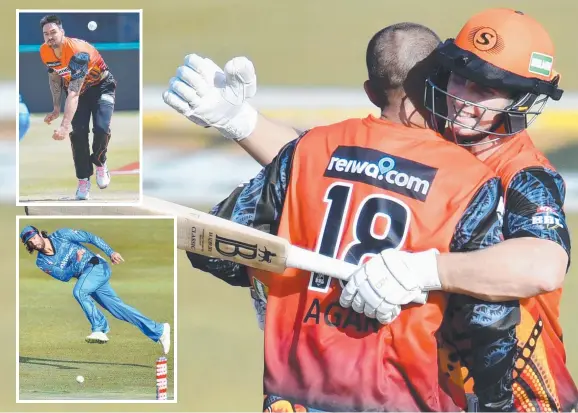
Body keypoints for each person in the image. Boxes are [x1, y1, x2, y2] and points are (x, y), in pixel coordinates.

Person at [163, 8, 577, 412]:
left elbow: (543, 265)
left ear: (524, 100)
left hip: (520, 395)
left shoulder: (524, 173)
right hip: (437, 386)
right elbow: (328, 166)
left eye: (487, 90)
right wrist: (240, 120)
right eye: (462, 79)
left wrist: (423, 270)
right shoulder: (440, 133)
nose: (464, 101)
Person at [20, 225, 171, 354]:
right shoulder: (42, 262)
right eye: (30, 241)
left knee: (79, 292)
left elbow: (90, 237)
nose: (34, 242)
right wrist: (75, 263)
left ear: (39, 234)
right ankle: (158, 330)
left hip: (97, 266)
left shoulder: (62, 235)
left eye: (34, 237)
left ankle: (99, 328)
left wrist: (110, 252)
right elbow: (64, 276)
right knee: (118, 309)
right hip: (87, 279)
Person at [40, 14, 115, 200]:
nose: (50, 37)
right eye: (46, 33)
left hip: (101, 86)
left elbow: (73, 92)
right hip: (77, 91)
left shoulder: (78, 52)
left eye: (53, 32)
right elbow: (55, 77)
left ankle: (100, 162)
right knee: (79, 134)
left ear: (62, 32)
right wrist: (56, 107)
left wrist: (64, 126)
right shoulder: (45, 51)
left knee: (101, 128)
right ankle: (83, 180)